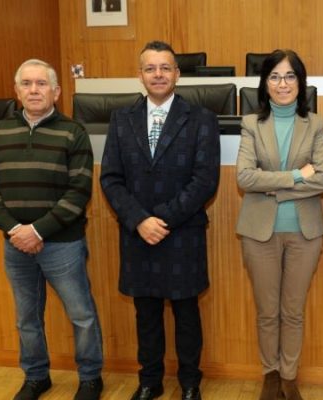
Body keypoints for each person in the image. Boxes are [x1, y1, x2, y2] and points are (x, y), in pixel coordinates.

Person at [100, 40, 220, 400]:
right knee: (146, 312)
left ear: (177, 74)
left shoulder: (201, 118)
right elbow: (111, 178)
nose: (158, 74)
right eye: (150, 68)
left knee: (186, 313)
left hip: (182, 232)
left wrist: (160, 219)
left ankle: (190, 382)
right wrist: (140, 220)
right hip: (137, 233)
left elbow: (205, 180)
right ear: (140, 75)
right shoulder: (121, 119)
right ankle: (149, 381)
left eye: (165, 67)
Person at [0, 59, 104, 400]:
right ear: (16, 91)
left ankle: (90, 378)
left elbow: (78, 192)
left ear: (56, 92)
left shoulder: (73, 133)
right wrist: (15, 230)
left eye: (41, 84)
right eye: (27, 84)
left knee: (81, 315)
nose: (34, 90)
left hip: (63, 244)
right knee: (26, 318)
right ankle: (36, 377)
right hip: (15, 244)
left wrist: (37, 231)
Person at [236, 49, 323, 400]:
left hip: (305, 232)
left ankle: (289, 376)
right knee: (267, 312)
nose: (282, 83)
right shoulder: (251, 124)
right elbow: (245, 178)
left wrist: (273, 188)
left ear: (300, 82)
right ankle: (270, 374)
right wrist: (296, 176)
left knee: (292, 311)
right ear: (265, 84)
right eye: (274, 76)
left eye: (290, 76)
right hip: (259, 232)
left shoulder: (315, 123)